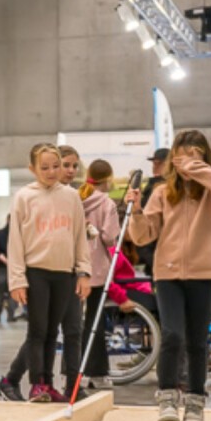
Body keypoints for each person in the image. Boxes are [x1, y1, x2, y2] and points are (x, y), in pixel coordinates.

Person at [126, 130, 211, 421]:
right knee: (172, 335)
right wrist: (135, 209)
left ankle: (196, 403)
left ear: (204, 160)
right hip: (168, 274)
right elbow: (142, 234)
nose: (187, 165)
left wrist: (194, 168)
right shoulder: (162, 192)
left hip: (204, 275)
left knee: (198, 342)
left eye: (195, 157)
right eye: (182, 158)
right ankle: (167, 398)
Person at [0, 143, 91, 403]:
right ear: (32, 169)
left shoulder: (71, 197)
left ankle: (48, 385)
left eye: (56, 166)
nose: (51, 172)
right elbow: (15, 243)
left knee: (53, 332)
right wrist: (17, 280)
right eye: (45, 167)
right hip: (36, 273)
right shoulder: (24, 197)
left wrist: (83, 272)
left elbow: (79, 238)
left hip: (64, 273)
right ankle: (37, 383)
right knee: (37, 332)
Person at [79, 160, 121, 391]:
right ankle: (99, 371)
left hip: (76, 268)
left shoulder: (77, 198)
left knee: (77, 324)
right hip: (97, 269)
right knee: (95, 322)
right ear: (109, 177)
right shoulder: (107, 204)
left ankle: (77, 371)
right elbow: (109, 237)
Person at [136, 148, 170, 273]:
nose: (155, 167)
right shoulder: (151, 187)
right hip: (152, 248)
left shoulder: (164, 188)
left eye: (159, 163)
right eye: (154, 163)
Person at [0, 216, 20, 322]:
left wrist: (8, 262)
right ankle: (11, 316)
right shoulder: (18, 235)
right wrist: (12, 263)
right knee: (13, 292)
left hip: (3, 268)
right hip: (13, 268)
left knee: (0, 292)